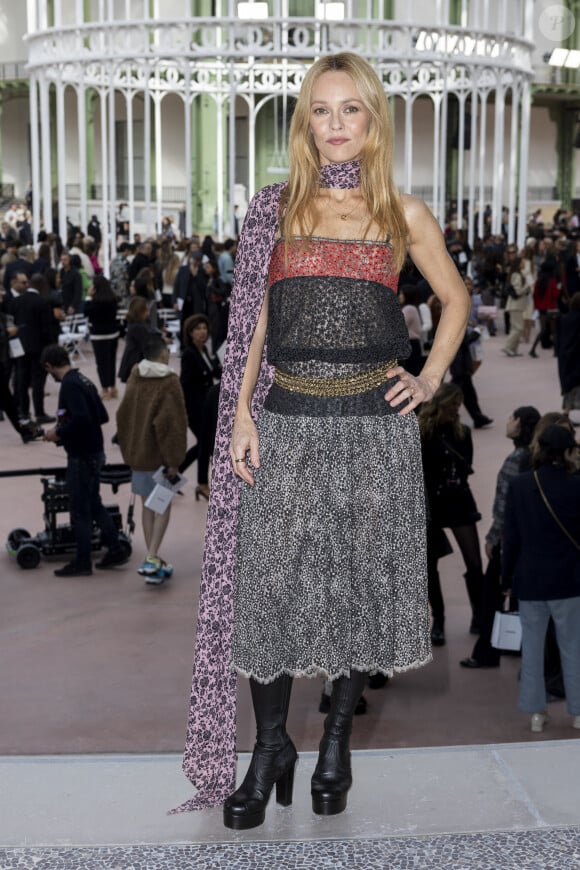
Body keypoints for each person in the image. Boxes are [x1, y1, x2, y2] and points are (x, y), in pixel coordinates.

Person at [175, 52, 470, 827]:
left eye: (351, 110)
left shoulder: (404, 214)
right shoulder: (275, 208)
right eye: (321, 110)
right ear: (305, 122)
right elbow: (254, 326)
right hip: (286, 421)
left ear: (373, 121)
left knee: (357, 587)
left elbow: (455, 298)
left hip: (375, 429)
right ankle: (270, 746)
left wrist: (432, 374)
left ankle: (336, 738)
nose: (335, 125)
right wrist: (239, 414)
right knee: (269, 591)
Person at [502, 425, 580, 734]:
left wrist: (505, 577)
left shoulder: (521, 485)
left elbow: (512, 537)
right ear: (566, 452)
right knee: (573, 647)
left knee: (532, 649)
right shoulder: (576, 487)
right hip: (570, 581)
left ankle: (536, 713)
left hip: (531, 580)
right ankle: (578, 712)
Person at [460, 405, 541, 669]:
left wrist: (493, 538)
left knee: (492, 595)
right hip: (531, 541)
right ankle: (517, 644)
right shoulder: (534, 457)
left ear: (518, 424)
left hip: (509, 540)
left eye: (511, 418)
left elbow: (503, 507)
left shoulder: (514, 460)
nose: (507, 422)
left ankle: (486, 652)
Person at [41, 344, 129, 577]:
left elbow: (80, 419)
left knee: (80, 509)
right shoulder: (83, 380)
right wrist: (64, 427)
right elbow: (100, 415)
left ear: (49, 366)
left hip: (82, 456)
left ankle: (82, 562)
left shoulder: (69, 385)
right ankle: (116, 549)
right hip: (95, 451)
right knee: (93, 503)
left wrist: (58, 433)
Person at [116, 335, 187, 585]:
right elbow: (172, 424)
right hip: (160, 457)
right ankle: (152, 556)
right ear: (164, 354)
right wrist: (174, 460)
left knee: (148, 506)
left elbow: (123, 413)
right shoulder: (169, 381)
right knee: (163, 507)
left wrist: (130, 447)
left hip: (138, 454)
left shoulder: (135, 376)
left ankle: (152, 560)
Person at [419, 383, 484, 647]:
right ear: (440, 403)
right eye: (452, 404)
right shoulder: (422, 432)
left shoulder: (462, 432)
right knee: (430, 566)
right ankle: (439, 620)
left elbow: (467, 467)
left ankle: (480, 615)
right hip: (432, 503)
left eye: (459, 404)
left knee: (474, 561)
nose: (456, 409)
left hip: (458, 500)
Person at [178, 314, 222, 500]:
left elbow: (213, 372)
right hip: (195, 408)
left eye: (204, 328)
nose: (202, 332)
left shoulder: (204, 350)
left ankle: (172, 473)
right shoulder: (189, 355)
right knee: (205, 445)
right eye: (198, 329)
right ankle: (202, 483)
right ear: (190, 332)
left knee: (203, 445)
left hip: (207, 407)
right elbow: (185, 384)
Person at [85, 275, 120, 399]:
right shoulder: (112, 299)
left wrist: (88, 297)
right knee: (111, 361)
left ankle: (105, 389)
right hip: (112, 334)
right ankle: (113, 387)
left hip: (98, 335)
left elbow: (86, 311)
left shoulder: (94, 302)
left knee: (101, 363)